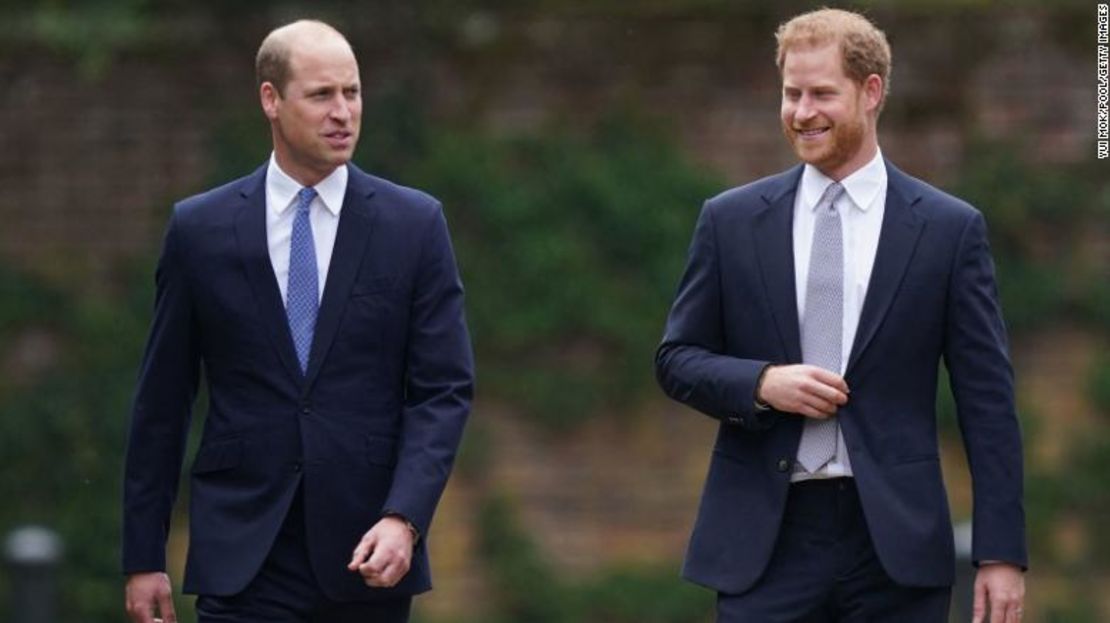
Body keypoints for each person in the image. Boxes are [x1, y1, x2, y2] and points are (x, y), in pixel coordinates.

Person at [655, 8, 1026, 622]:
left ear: (871, 91)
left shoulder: (948, 230)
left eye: (822, 93)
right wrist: (761, 383)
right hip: (765, 543)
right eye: (791, 93)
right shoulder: (729, 220)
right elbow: (676, 360)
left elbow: (987, 403)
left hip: (895, 548)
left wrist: (1002, 555)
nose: (802, 112)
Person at [122, 19, 474, 623]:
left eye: (353, 92)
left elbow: (443, 391)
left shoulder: (414, 226)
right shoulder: (199, 232)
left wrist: (405, 517)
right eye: (321, 95)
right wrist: (142, 555)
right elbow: (163, 400)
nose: (343, 112)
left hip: (367, 552)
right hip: (242, 556)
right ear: (271, 100)